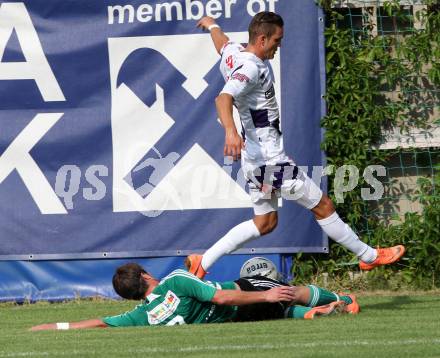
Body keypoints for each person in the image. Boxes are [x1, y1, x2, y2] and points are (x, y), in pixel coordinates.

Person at [186, 12, 405, 279]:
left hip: (253, 161)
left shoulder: (234, 53)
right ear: (262, 38)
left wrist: (212, 25)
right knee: (323, 205)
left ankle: (202, 262)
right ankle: (368, 256)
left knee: (264, 223)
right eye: (277, 40)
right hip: (271, 162)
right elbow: (223, 98)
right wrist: (231, 132)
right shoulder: (251, 67)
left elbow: (222, 43)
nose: (279, 46)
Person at [30, 262, 359, 331]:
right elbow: (221, 299)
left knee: (282, 314)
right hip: (239, 296)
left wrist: (52, 327)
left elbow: (97, 323)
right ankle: (342, 297)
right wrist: (267, 294)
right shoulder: (173, 280)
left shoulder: (141, 317)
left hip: (233, 321)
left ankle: (315, 314)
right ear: (145, 276)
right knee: (287, 291)